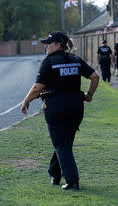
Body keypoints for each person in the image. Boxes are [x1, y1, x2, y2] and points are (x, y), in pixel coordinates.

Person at [21, 31, 99, 191]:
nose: (46, 46)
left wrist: (26, 101)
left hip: (56, 106)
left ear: (58, 44)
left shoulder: (49, 62)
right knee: (65, 143)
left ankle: (72, 181)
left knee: (61, 144)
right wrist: (89, 94)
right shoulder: (75, 60)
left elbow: (37, 87)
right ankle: (54, 173)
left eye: (49, 43)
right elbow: (95, 77)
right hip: (76, 106)